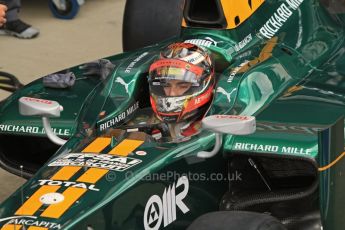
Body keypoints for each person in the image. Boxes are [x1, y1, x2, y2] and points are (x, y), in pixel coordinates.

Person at [147, 42, 215, 140]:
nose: (171, 93)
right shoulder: (148, 122)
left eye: (182, 85)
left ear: (204, 83)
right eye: (166, 85)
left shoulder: (219, 120)